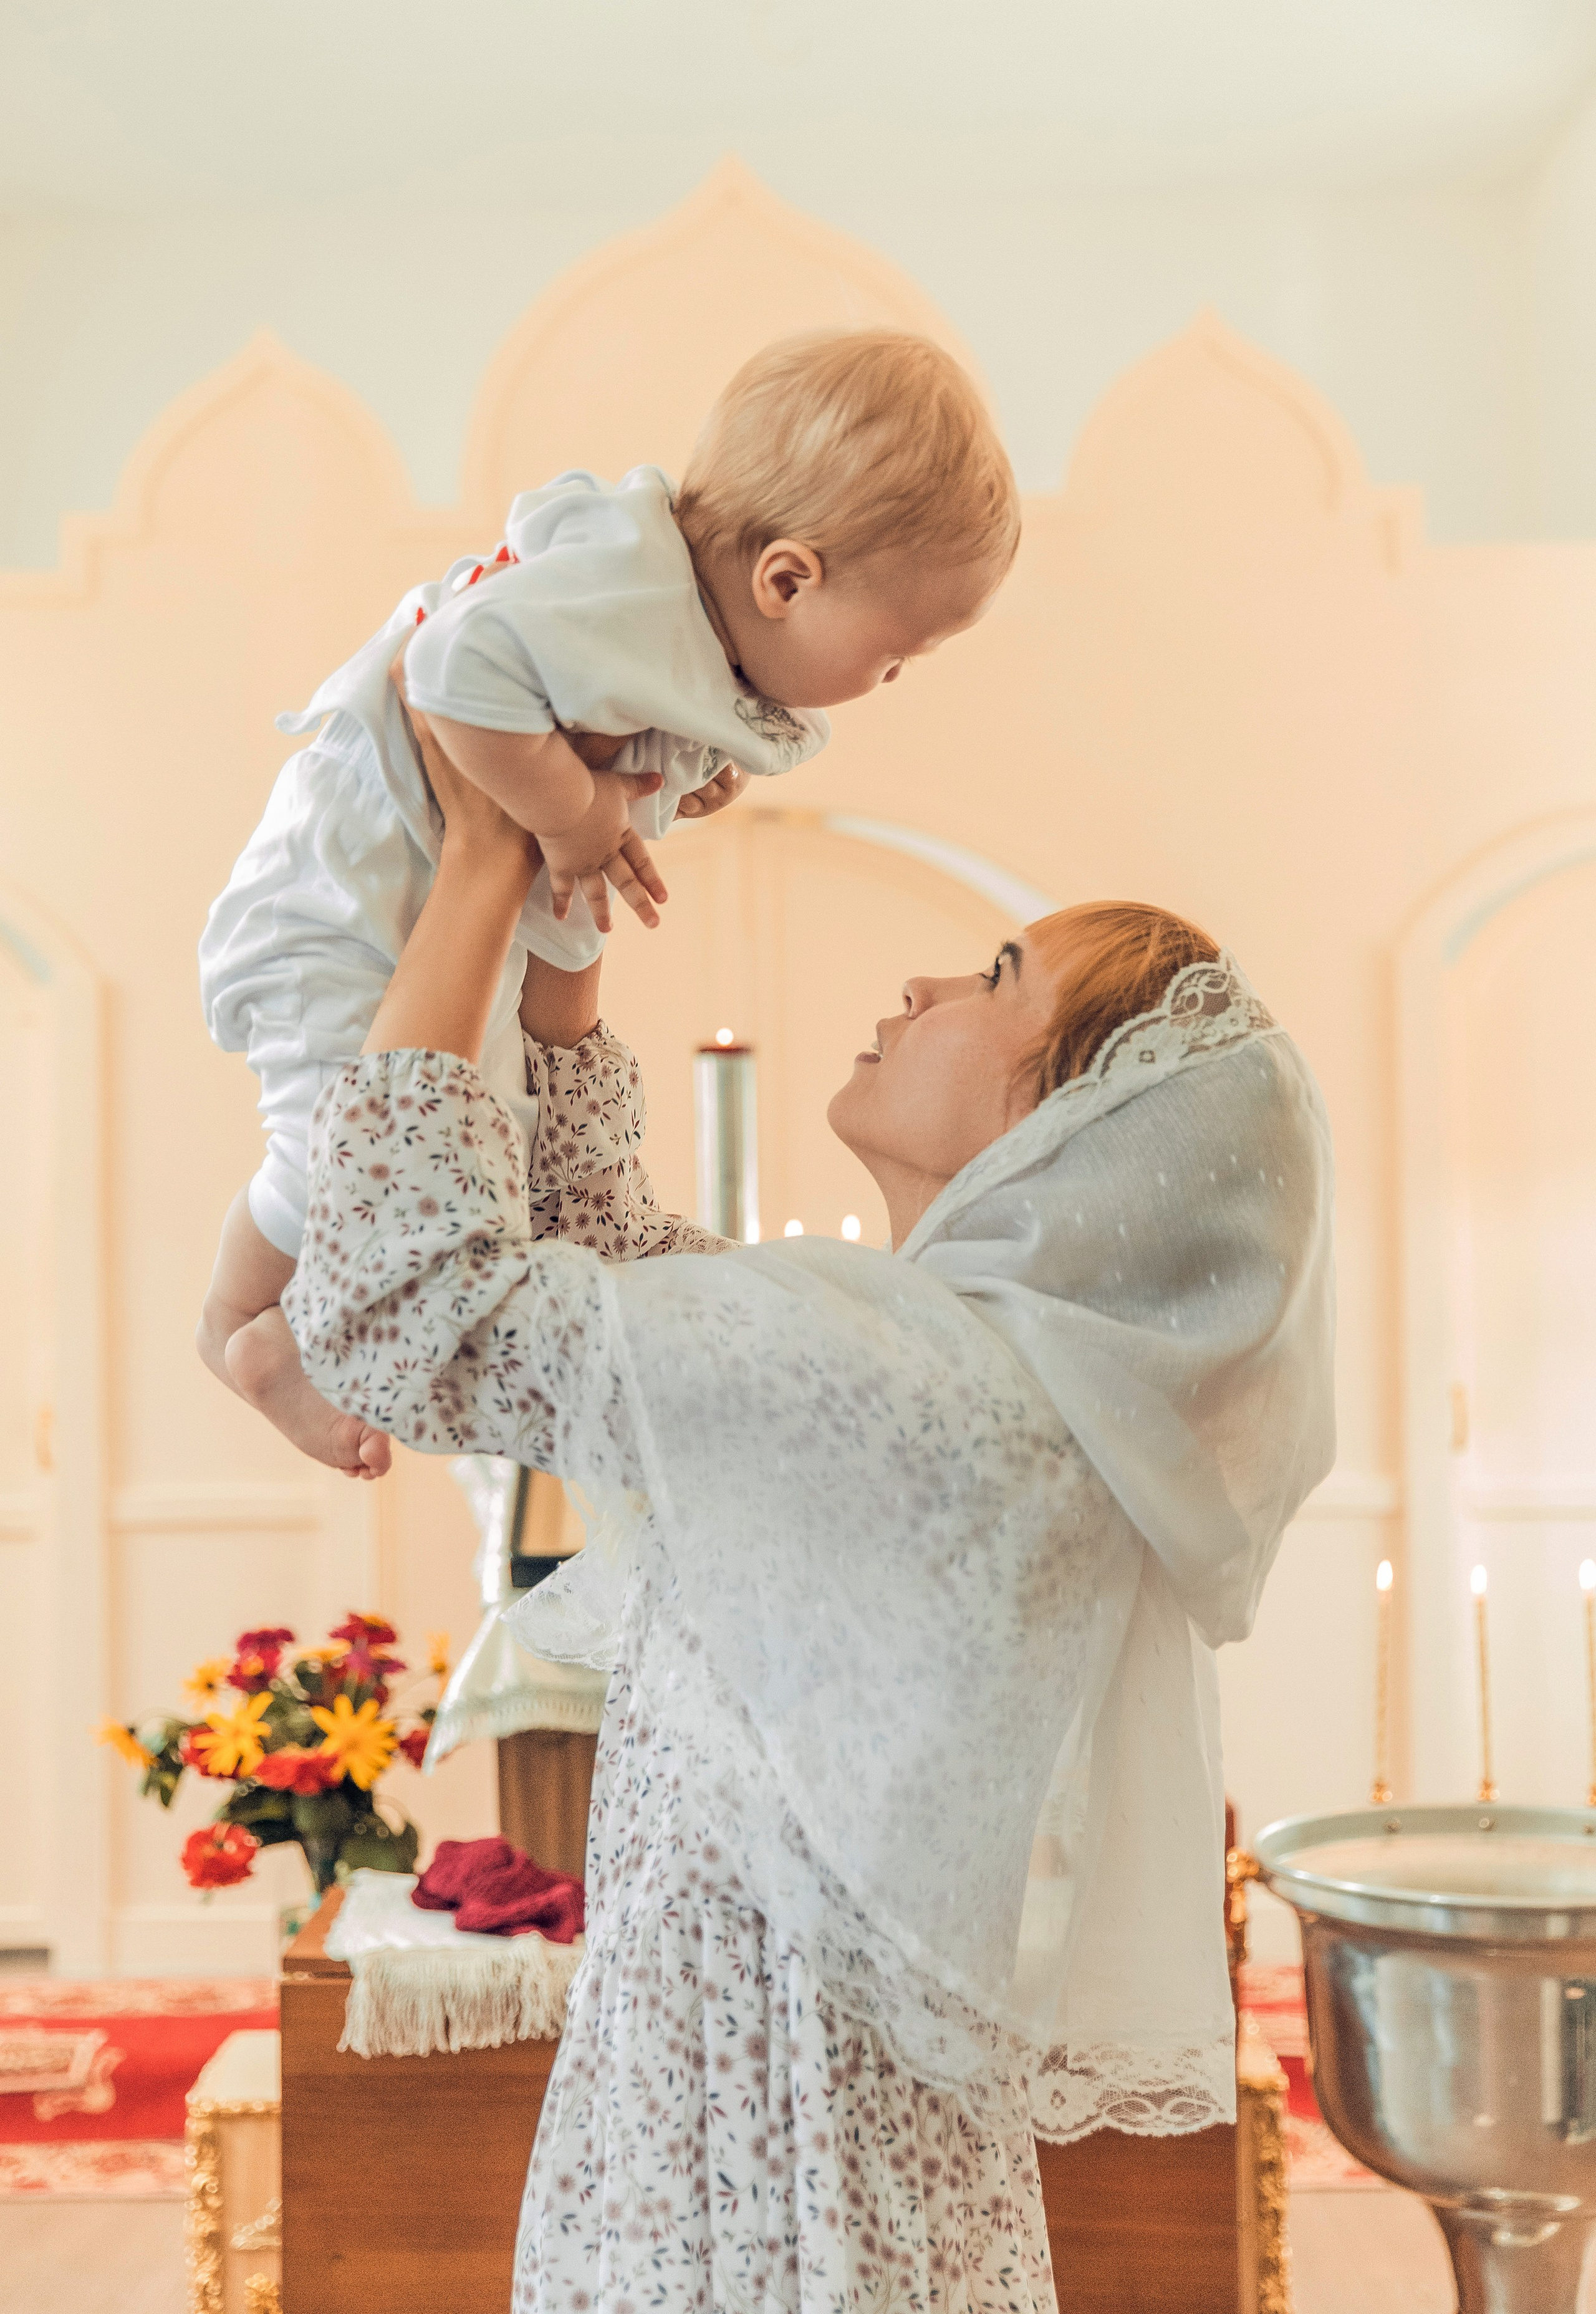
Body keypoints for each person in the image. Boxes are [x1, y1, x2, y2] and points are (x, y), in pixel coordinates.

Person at [283, 739, 1335, 2313]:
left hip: (764, 2191)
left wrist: (486, 861)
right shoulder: (963, 1372)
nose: (919, 981)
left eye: (991, 973)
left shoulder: (910, 1379)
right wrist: (563, 946)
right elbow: (622, 1254)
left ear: (1070, 1126)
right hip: (796, 2160)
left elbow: (399, 1312)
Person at [196, 330, 1019, 1479]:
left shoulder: (682, 633)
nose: (894, 679)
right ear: (788, 579)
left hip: (425, 903)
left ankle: (280, 1329)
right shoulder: (628, 597)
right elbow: (447, 675)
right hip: (346, 890)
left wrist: (680, 770)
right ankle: (237, 1327)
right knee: (343, 1136)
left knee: (478, 1143)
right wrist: (582, 819)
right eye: (900, 653)